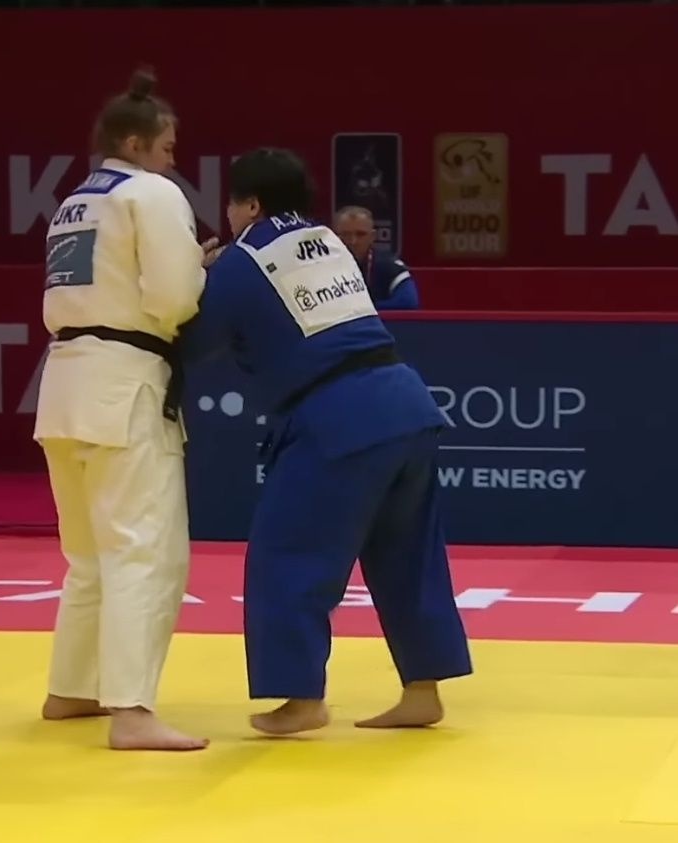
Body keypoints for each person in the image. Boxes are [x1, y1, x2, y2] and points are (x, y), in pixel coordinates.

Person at [180, 149, 472, 736]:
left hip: (340, 420)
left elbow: (194, 342)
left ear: (250, 204)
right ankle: (423, 690)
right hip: (406, 404)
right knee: (407, 556)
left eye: (232, 203)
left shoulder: (243, 260)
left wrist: (197, 279)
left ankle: (301, 698)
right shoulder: (328, 242)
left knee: (286, 554)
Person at [33, 67, 219, 751]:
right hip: (125, 385)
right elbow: (172, 299)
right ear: (136, 143)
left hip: (66, 382)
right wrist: (199, 273)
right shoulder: (152, 192)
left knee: (88, 554)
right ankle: (133, 710)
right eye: (167, 146)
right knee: (144, 549)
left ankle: (72, 686)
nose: (173, 158)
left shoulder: (75, 202)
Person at [333, 205, 420, 310]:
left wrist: (359, 309)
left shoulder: (390, 266)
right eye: (345, 234)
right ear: (333, 236)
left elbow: (408, 303)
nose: (353, 241)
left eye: (361, 234)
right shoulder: (320, 266)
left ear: (372, 237)